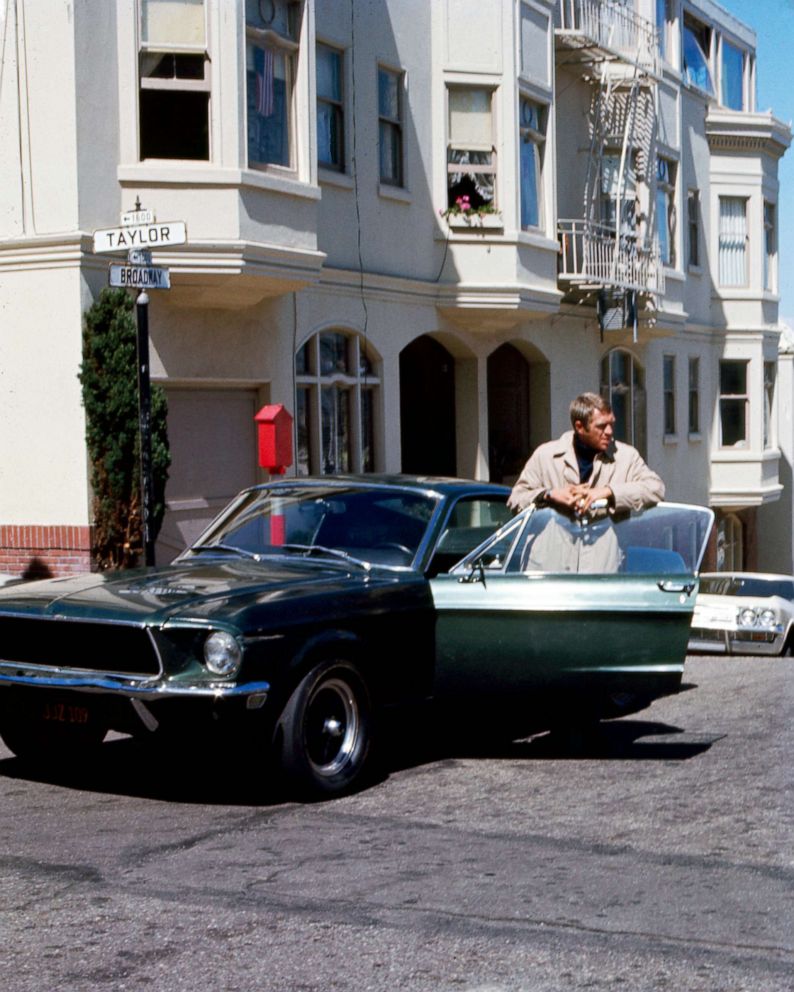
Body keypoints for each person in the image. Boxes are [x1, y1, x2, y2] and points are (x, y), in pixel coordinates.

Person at [508, 392, 665, 515]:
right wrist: (549, 495)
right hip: (555, 554)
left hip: (601, 554)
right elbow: (515, 500)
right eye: (602, 426)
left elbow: (656, 489)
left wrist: (609, 492)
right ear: (580, 427)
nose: (609, 432)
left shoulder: (625, 457)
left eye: (612, 424)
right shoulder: (546, 456)